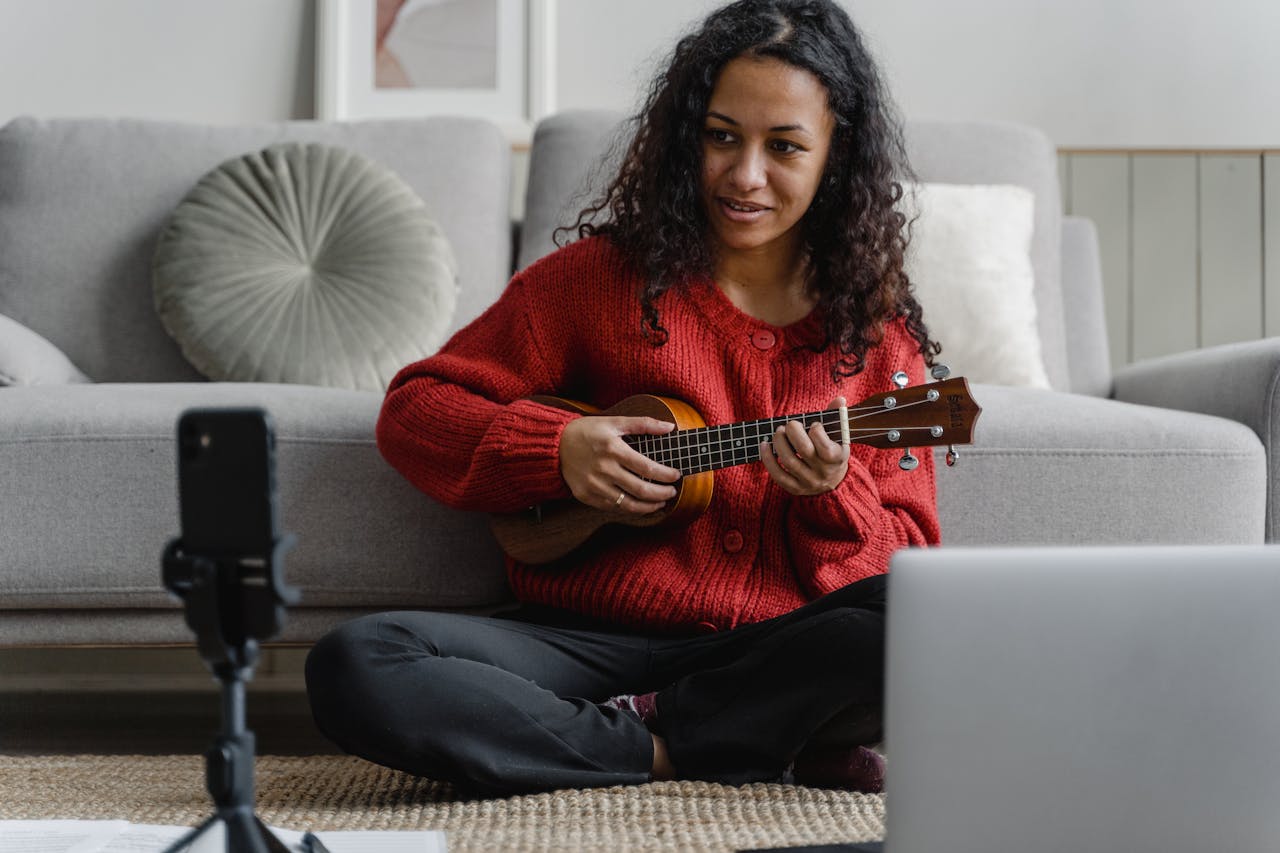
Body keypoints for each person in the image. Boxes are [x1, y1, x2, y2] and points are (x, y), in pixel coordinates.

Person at [306, 0, 941, 797]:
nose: (745, 176)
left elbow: (912, 562)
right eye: (721, 136)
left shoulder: (877, 338)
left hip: (772, 654)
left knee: (928, 624)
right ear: (687, 136)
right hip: (581, 645)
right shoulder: (595, 282)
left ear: (834, 157)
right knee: (357, 662)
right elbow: (416, 411)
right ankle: (682, 749)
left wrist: (835, 491)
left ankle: (662, 731)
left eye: (784, 147)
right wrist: (558, 450)